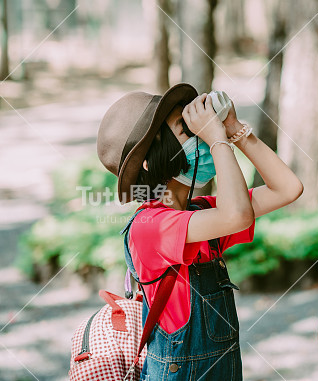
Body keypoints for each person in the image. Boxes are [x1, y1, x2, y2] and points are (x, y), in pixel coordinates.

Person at [96, 83, 303, 380]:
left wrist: (234, 131)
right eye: (187, 131)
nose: (201, 136)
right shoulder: (148, 227)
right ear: (150, 157)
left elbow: (287, 188)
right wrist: (217, 140)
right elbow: (237, 215)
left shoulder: (200, 214)